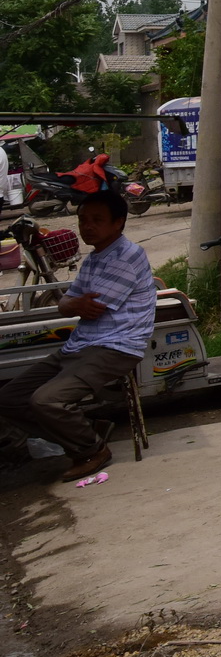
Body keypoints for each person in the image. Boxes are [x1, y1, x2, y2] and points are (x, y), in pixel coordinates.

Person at [0, 185, 153, 479]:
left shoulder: (127, 256)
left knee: (46, 400)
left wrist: (73, 303)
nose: (88, 227)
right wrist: (73, 303)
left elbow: (87, 306)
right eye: (83, 220)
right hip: (81, 345)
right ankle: (87, 430)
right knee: (8, 398)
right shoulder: (94, 258)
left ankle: (92, 450)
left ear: (118, 222)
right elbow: (67, 303)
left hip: (115, 347)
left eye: (97, 220)